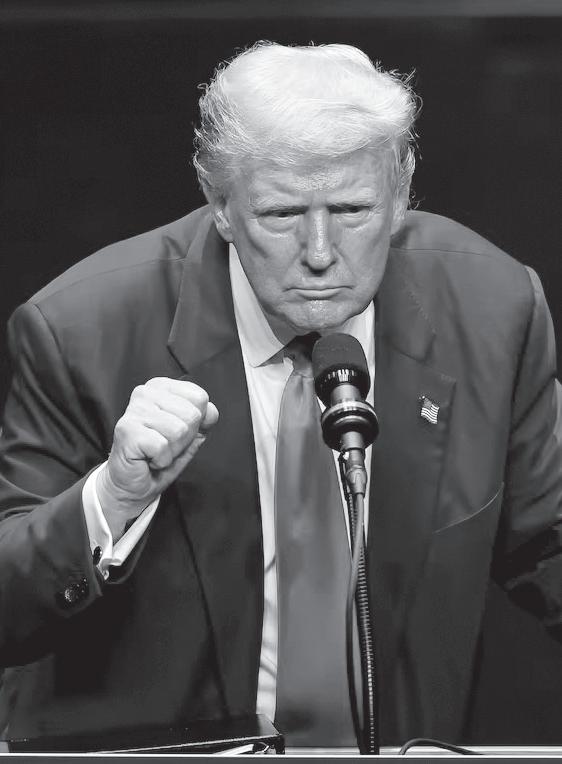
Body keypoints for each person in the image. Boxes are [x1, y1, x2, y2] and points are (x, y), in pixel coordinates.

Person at [1, 40, 561, 749]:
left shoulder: (492, 309)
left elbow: (550, 542)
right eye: (282, 215)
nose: (321, 252)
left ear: (401, 193)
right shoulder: (81, 329)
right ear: (220, 206)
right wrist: (112, 498)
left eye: (353, 209)